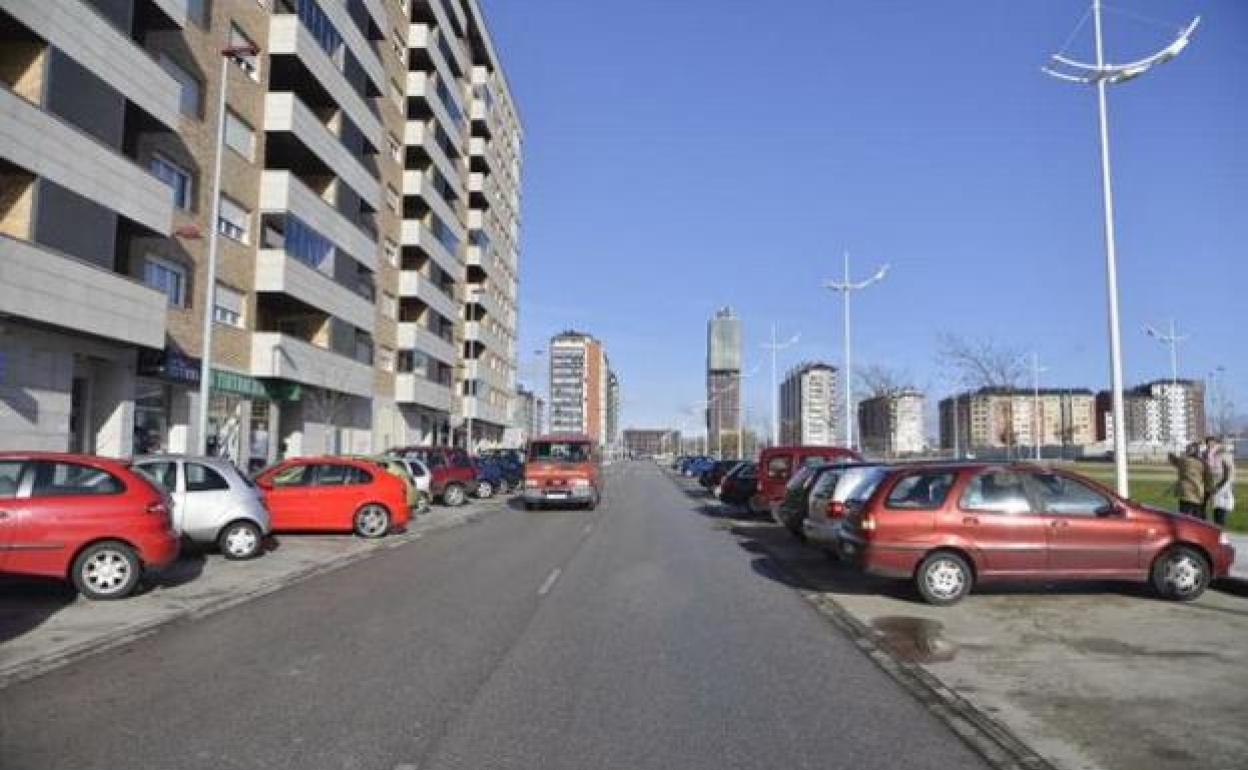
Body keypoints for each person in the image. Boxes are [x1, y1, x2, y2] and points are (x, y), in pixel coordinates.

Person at [1168, 442, 1207, 518]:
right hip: (1198, 491)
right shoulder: (1202, 463)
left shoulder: (1184, 461)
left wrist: (1170, 454)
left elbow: (1174, 461)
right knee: (1197, 516)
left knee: (1184, 515)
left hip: (1186, 492)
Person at [1204, 436, 1236, 528]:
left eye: (1211, 442)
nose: (1209, 445)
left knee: (1221, 510)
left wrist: (1220, 485)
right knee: (1216, 509)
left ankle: (1220, 532)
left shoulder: (1222, 454)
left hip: (1222, 485)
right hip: (1215, 484)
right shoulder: (1209, 454)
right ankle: (1217, 531)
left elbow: (1228, 472)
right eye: (1208, 443)